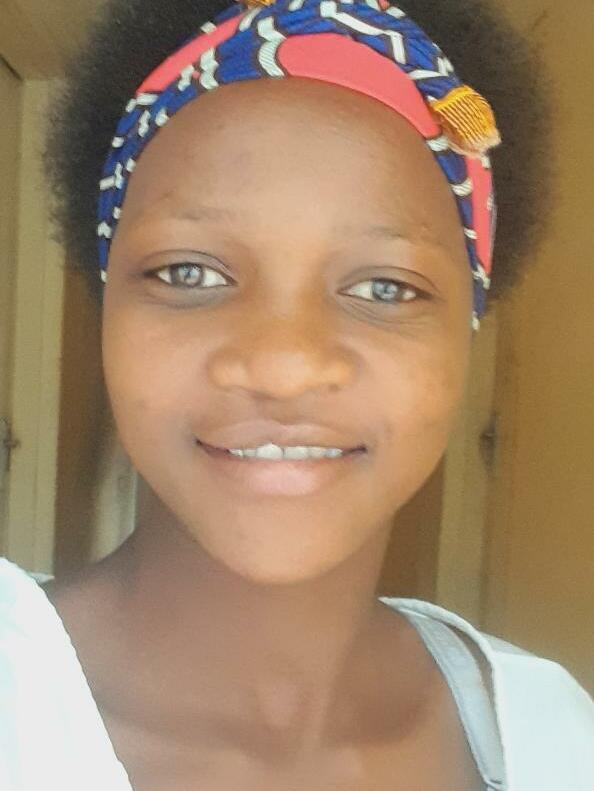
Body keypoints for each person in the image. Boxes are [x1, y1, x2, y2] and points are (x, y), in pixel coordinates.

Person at [1, 0, 593, 788]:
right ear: (108, 306)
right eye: (189, 272)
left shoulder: (559, 739)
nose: (283, 365)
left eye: (385, 286)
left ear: (467, 328)